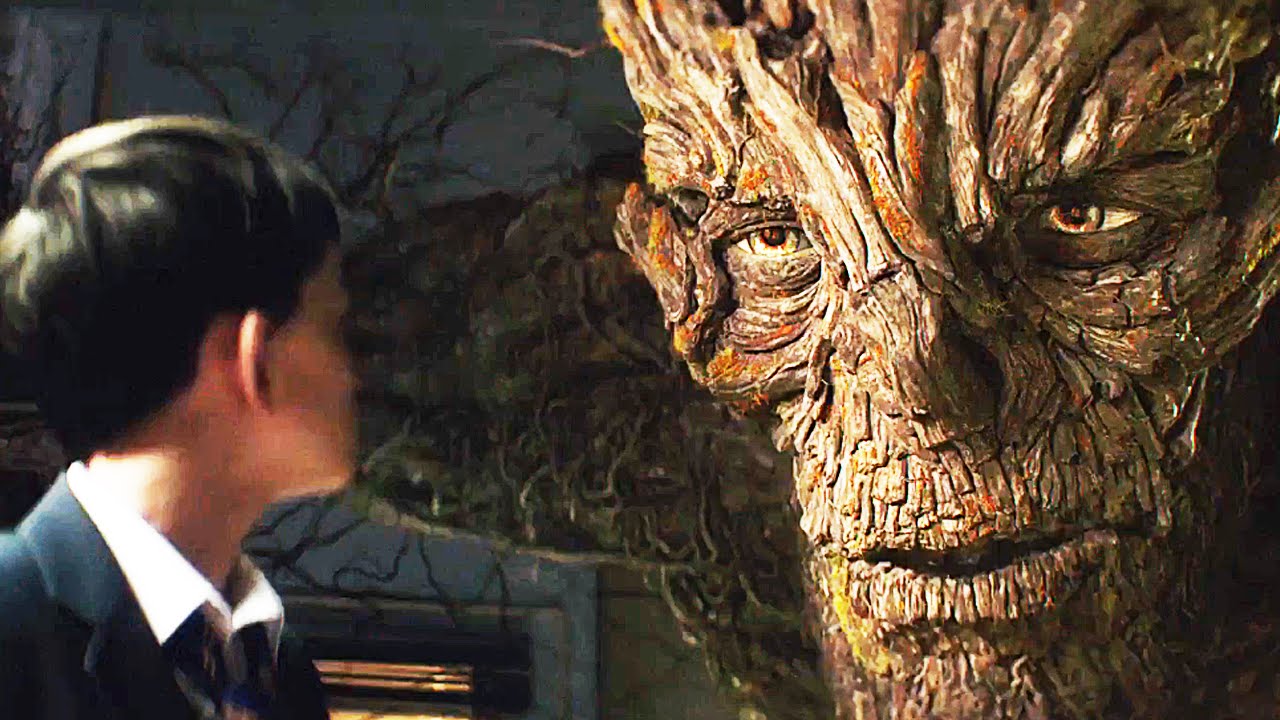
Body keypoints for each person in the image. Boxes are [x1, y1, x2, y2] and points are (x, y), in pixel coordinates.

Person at [0, 115, 355, 719]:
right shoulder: (13, 627)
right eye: (333, 328)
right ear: (255, 356)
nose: (352, 373)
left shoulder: (278, 671)